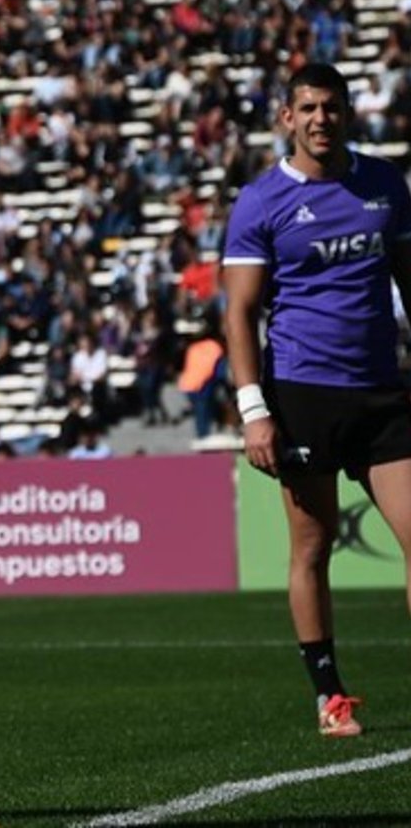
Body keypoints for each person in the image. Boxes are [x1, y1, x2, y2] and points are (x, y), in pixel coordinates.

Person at [222, 61, 411, 740]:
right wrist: (253, 411)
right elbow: (239, 314)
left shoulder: (385, 184)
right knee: (313, 545)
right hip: (302, 393)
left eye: (331, 107)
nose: (320, 119)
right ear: (287, 117)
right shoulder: (262, 201)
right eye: (307, 108)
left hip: (383, 392)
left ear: (347, 112)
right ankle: (329, 695)